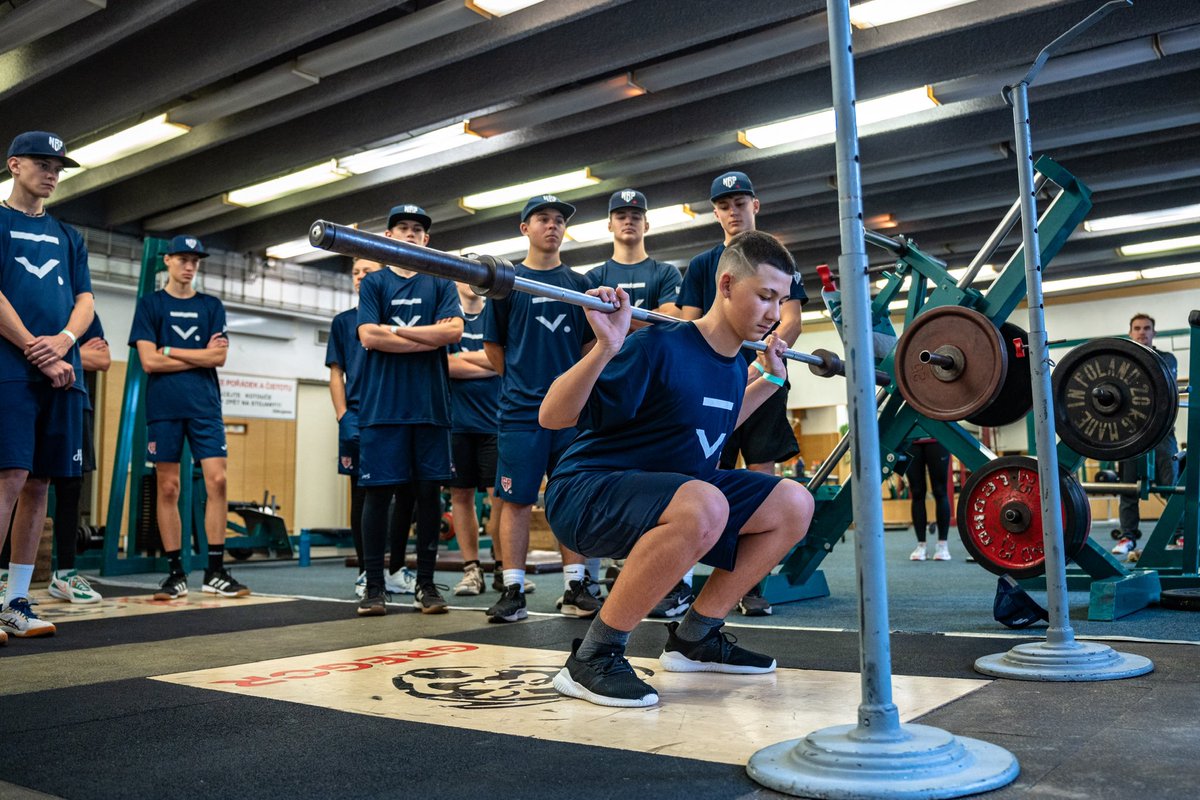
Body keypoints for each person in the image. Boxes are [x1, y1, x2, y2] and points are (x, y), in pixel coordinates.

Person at [541, 230, 815, 707]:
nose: (774, 314)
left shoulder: (733, 365)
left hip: (669, 495)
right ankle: (593, 657)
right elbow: (553, 416)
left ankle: (696, 638)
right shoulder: (659, 345)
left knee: (793, 501)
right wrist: (606, 346)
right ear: (726, 285)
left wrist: (768, 382)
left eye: (782, 301)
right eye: (765, 297)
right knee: (703, 500)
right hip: (586, 493)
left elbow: (708, 428)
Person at [677, 171, 808, 616]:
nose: (733, 211)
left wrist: (764, 357)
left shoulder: (778, 258)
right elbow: (690, 324)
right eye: (724, 205)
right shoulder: (703, 265)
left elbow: (790, 319)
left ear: (757, 205)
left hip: (765, 375)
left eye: (741, 203)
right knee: (705, 468)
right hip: (716, 379)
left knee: (763, 471)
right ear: (715, 212)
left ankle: (752, 583)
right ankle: (686, 579)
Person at [483, 195, 602, 624]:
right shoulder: (506, 282)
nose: (552, 226)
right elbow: (494, 349)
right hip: (520, 412)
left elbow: (591, 347)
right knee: (515, 500)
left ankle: (576, 585)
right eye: (542, 219)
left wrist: (565, 392)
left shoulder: (579, 283)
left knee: (570, 496)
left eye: (558, 220)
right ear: (524, 229)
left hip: (571, 415)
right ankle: (512, 588)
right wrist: (523, 383)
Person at [0, 131, 93, 640]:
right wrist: (35, 348)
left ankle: (16, 600)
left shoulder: (68, 235)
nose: (52, 172)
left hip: (63, 373)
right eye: (41, 162)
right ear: (15, 165)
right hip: (10, 369)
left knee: (39, 483)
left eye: (59, 166)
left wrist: (62, 340)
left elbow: (85, 301)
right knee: (9, 477)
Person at [585, 188, 691, 618]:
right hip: (614, 386)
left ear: (647, 225)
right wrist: (628, 325)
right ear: (609, 225)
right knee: (620, 477)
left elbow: (669, 321)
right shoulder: (593, 274)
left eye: (636, 215)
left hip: (657, 390)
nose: (628, 221)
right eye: (620, 215)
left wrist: (618, 321)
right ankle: (620, 570)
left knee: (667, 478)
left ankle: (676, 581)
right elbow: (594, 334)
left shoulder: (665, 272)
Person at [355, 204, 462, 616]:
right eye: (403, 228)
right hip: (383, 408)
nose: (411, 234)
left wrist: (394, 331)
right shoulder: (375, 283)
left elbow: (453, 331)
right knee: (378, 496)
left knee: (427, 496)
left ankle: (426, 586)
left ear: (427, 239)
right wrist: (424, 337)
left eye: (418, 229)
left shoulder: (440, 282)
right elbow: (368, 335)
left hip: (430, 407)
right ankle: (374, 588)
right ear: (389, 236)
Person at [130, 235, 247, 600]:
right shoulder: (150, 306)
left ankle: (215, 570)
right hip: (164, 407)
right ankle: (175, 573)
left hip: (205, 407)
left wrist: (170, 350)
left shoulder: (212, 306)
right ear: (167, 261)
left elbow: (219, 358)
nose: (189, 265)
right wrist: (197, 354)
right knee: (168, 487)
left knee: (218, 481)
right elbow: (149, 361)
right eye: (182, 258)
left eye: (195, 260)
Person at [327, 257, 421, 599]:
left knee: (405, 492)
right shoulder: (343, 322)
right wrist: (342, 415)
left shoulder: (398, 317)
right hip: (358, 415)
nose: (360, 277)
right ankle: (369, 572)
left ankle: (396, 568)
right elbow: (336, 372)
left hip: (398, 413)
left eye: (367, 271)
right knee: (362, 495)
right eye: (355, 272)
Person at [445, 281, 505, 597]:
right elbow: (446, 365)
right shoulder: (448, 317)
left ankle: (501, 568)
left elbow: (503, 361)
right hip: (456, 423)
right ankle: (472, 570)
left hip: (494, 422)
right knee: (461, 497)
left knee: (501, 498)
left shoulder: (493, 313)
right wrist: (487, 362)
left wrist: (472, 362)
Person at [1112, 313, 1180, 558]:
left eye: (1147, 328)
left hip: (1162, 434)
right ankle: (1128, 537)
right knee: (1129, 490)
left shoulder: (1167, 359)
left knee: (1170, 487)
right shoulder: (1121, 362)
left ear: (1154, 333)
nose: (1142, 332)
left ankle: (1179, 534)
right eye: (1137, 328)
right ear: (1130, 333)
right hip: (1130, 436)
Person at [905, 437, 952, 561]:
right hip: (912, 439)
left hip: (937, 437)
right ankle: (921, 546)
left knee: (940, 491)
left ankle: (943, 545)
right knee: (916, 492)